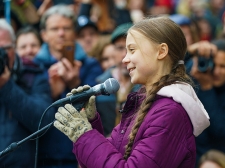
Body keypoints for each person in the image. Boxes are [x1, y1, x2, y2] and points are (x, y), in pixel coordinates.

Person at [53, 17, 210, 167]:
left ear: (161, 51)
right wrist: (90, 123)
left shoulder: (170, 112)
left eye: (132, 50)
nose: (124, 59)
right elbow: (106, 159)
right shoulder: (144, 104)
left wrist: (84, 135)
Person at [33, 5, 103, 167]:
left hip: (80, 154)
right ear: (43, 34)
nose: (61, 33)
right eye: (55, 29)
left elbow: (98, 111)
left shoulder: (90, 64)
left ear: (74, 33)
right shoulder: (33, 67)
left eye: (66, 28)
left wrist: (75, 85)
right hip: (43, 154)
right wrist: (50, 94)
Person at [0, 19, 52, 167]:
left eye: (3, 49)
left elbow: (42, 122)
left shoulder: (33, 74)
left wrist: (6, 85)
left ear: (14, 48)